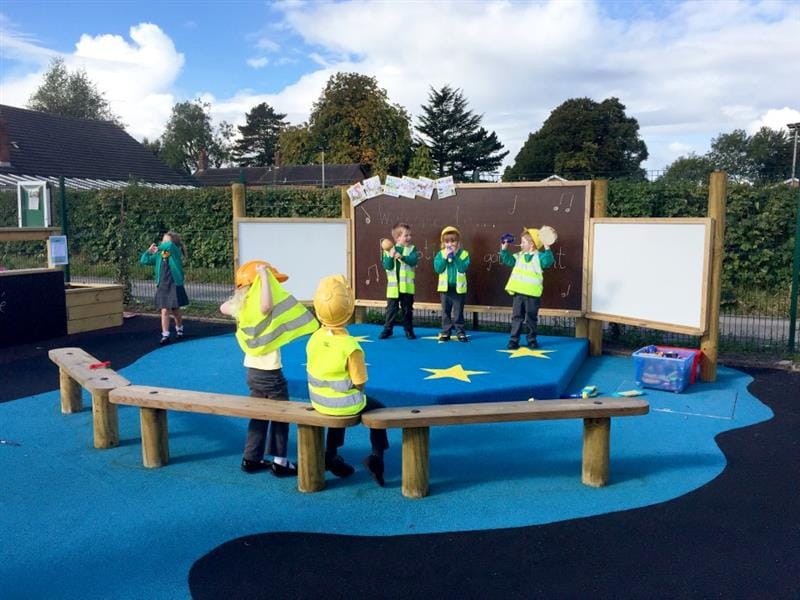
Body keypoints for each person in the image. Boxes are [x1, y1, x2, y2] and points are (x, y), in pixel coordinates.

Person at [220, 260, 319, 477]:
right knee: (281, 413)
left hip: (252, 373)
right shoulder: (259, 308)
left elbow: (223, 307)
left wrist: (246, 293)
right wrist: (264, 276)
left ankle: (251, 457)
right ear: (258, 287)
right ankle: (280, 461)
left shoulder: (242, 308)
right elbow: (266, 305)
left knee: (259, 414)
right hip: (270, 374)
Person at [306, 274, 389, 486]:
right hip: (344, 404)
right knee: (378, 408)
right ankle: (376, 457)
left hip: (318, 400)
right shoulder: (350, 346)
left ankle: (331, 453)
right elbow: (360, 382)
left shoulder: (314, 338)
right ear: (349, 311)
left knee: (337, 402)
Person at [500, 228, 554, 349]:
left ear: (532, 245)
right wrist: (504, 250)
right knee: (516, 318)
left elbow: (548, 261)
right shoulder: (518, 256)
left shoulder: (539, 257)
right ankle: (514, 340)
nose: (521, 244)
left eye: (523, 242)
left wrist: (547, 247)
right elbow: (508, 261)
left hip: (532, 295)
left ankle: (532, 340)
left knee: (531, 318)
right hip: (518, 294)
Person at [140, 231, 189, 345]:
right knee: (165, 310)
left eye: (166, 240)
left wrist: (158, 247)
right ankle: (165, 334)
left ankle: (179, 329)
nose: (163, 242)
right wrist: (148, 251)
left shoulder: (175, 251)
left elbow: (169, 245)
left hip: (174, 283)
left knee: (175, 310)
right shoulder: (159, 255)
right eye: (163, 240)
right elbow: (144, 260)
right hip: (163, 284)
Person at [379, 222, 419, 340]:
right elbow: (387, 266)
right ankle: (388, 329)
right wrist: (391, 256)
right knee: (391, 310)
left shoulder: (411, 249)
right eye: (406, 236)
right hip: (393, 289)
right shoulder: (388, 250)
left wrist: (402, 256)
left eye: (409, 235)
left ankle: (408, 330)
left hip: (407, 288)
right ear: (397, 238)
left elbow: (413, 261)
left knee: (407, 310)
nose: (409, 238)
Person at [433, 226, 471, 342]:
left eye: (453, 241)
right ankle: (446, 332)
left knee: (458, 311)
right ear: (443, 243)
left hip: (459, 289)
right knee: (446, 311)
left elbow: (463, 268)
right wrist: (445, 258)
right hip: (445, 289)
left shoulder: (464, 254)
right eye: (447, 241)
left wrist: (455, 257)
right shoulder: (440, 254)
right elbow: (438, 269)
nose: (450, 244)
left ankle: (460, 332)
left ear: (458, 242)